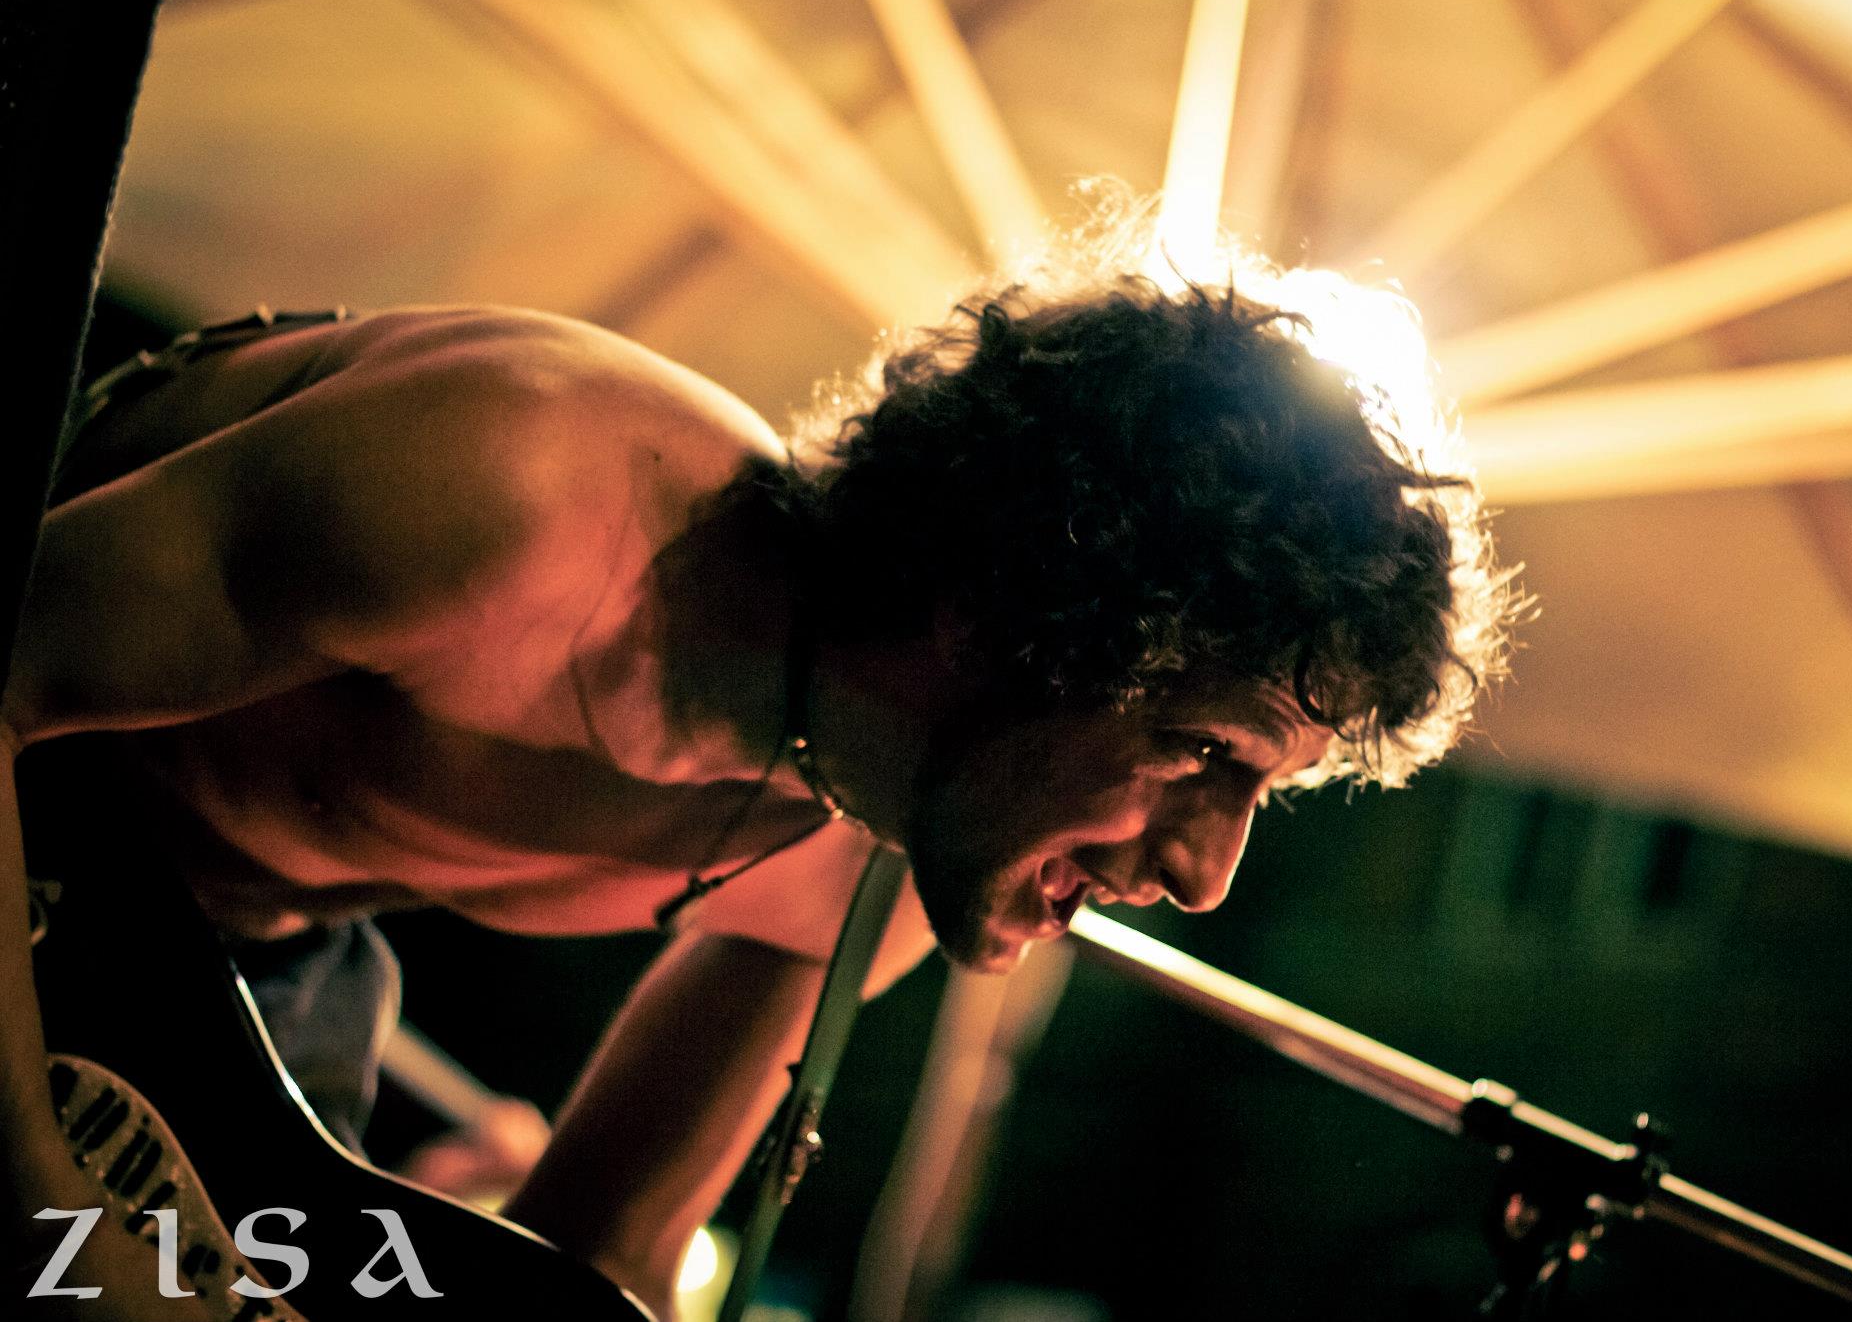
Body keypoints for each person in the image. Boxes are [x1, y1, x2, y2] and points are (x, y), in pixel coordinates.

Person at [0, 219, 1512, 1316]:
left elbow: (597, 1258)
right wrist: (45, 1206)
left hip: (231, 1022)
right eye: (1201, 752)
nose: (1205, 872)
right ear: (1014, 606)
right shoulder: (520, 488)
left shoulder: (883, 859)